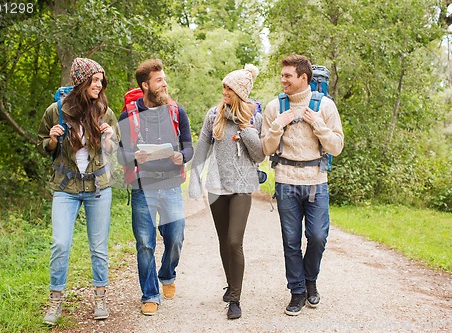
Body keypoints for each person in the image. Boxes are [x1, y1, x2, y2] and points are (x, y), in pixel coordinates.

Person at [37, 57, 119, 325]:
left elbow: (114, 149)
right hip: (66, 186)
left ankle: (100, 297)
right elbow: (41, 147)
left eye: (101, 81)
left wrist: (108, 139)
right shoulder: (56, 110)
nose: (99, 85)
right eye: (95, 80)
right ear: (81, 82)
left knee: (98, 247)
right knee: (60, 243)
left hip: (98, 186)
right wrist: (51, 140)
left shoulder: (104, 111)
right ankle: (55, 300)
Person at [261, 54, 344, 316]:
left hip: (316, 181)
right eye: (283, 75)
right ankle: (297, 292)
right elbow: (265, 148)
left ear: (303, 78)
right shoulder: (275, 107)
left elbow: (336, 147)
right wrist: (277, 127)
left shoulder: (325, 106)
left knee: (318, 237)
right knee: (291, 239)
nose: (282, 79)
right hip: (286, 180)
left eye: (288, 75)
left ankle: (311, 280)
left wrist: (319, 125)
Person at [117, 58, 193, 316]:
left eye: (164, 79)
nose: (164, 84)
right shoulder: (129, 115)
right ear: (145, 85)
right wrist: (133, 157)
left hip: (171, 184)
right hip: (142, 187)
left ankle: (167, 273)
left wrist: (181, 156)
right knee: (145, 243)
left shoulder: (176, 112)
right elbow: (120, 155)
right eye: (159, 80)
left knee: (176, 236)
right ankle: (150, 294)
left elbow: (188, 147)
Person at [189, 64, 265, 319]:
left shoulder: (254, 117)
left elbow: (260, 154)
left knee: (235, 241)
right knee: (223, 242)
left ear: (240, 92)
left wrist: (245, 129)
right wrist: (194, 178)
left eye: (229, 88)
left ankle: (235, 300)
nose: (224, 92)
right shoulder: (214, 115)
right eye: (223, 87)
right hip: (217, 187)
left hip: (242, 188)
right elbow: (202, 146)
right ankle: (231, 284)